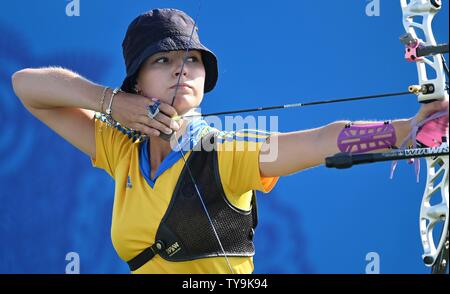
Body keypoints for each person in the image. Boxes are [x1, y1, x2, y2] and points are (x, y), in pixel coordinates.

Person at [11, 8, 448, 274]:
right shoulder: (121, 150)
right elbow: (26, 86)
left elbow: (319, 141)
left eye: (193, 61)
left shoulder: (225, 153)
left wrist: (407, 129)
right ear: (136, 83)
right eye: (163, 60)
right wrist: (109, 103)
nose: (182, 70)